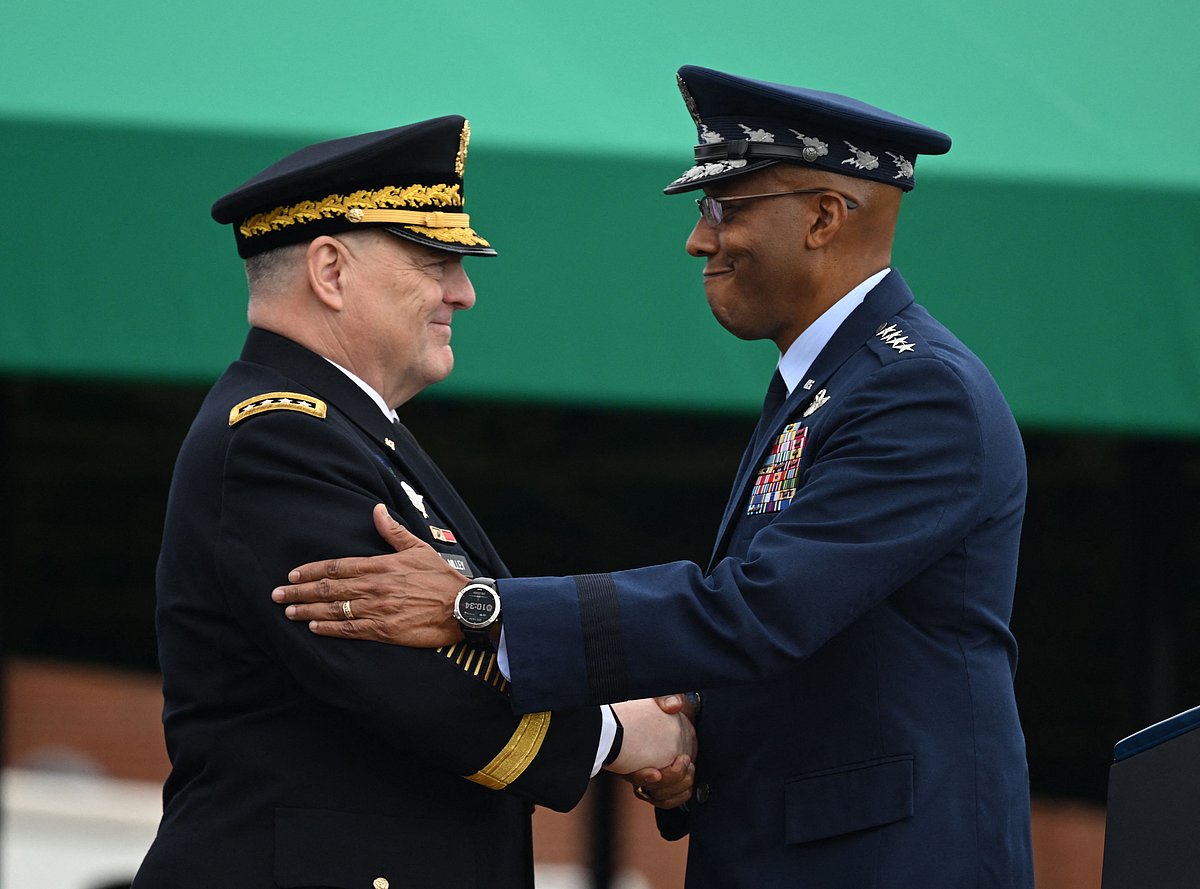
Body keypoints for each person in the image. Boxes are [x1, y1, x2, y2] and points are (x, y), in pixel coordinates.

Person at [274, 67, 1035, 888]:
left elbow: (762, 609)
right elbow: (808, 641)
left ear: (822, 217)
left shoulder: (917, 391)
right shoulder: (834, 385)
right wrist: (688, 731)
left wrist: (479, 608)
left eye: (726, 208)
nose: (699, 240)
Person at [132, 116, 695, 889]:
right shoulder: (277, 439)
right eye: (436, 261)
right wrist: (617, 735)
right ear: (330, 270)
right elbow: (407, 674)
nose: (463, 291)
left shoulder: (351, 435)